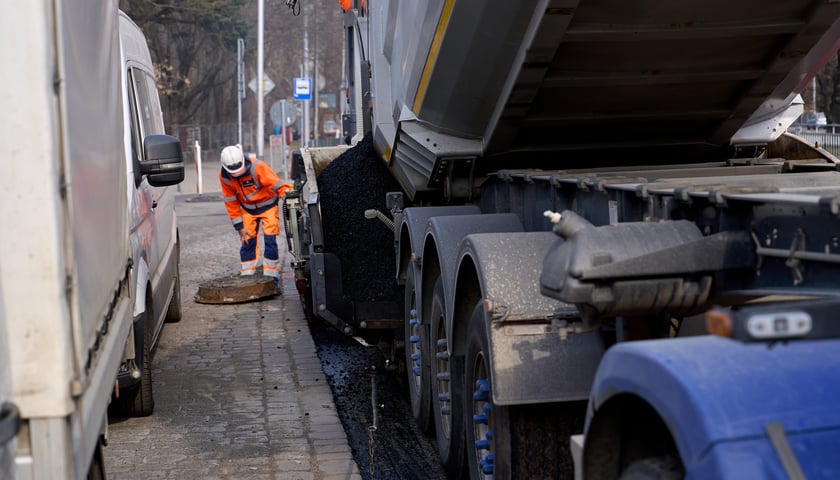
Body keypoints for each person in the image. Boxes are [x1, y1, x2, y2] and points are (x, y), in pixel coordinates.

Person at [218, 144, 292, 287]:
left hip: (268, 206)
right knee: (247, 240)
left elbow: (276, 183)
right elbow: (230, 201)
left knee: (270, 240)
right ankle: (247, 275)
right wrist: (239, 226)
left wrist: (287, 195)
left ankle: (272, 277)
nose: (236, 174)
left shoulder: (257, 167)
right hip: (248, 209)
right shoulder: (224, 177)